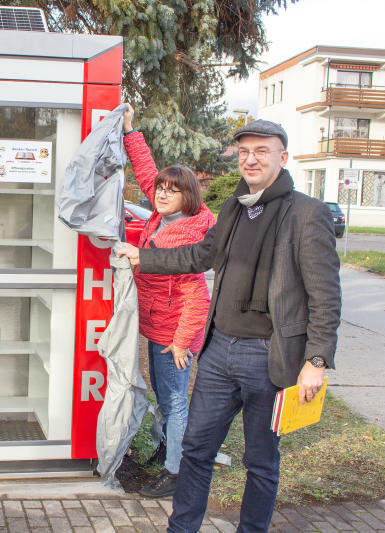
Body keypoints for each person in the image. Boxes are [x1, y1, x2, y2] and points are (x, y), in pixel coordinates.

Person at [117, 120, 341, 532]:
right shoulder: (235, 207)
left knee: (260, 461)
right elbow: (199, 255)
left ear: (282, 157)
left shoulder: (308, 213)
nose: (251, 159)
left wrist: (317, 359)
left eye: (262, 151)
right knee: (196, 449)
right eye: (244, 152)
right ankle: (181, 528)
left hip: (268, 356)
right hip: (219, 352)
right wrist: (142, 258)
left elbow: (325, 295)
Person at [122, 104, 215, 498]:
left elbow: (198, 296)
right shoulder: (162, 217)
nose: (160, 194)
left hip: (175, 335)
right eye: (160, 189)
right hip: (158, 327)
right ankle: (166, 449)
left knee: (176, 401)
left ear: (187, 197)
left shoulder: (190, 235)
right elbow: (146, 171)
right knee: (165, 396)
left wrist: (181, 343)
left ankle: (178, 472)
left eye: (170, 191)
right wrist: (130, 131)